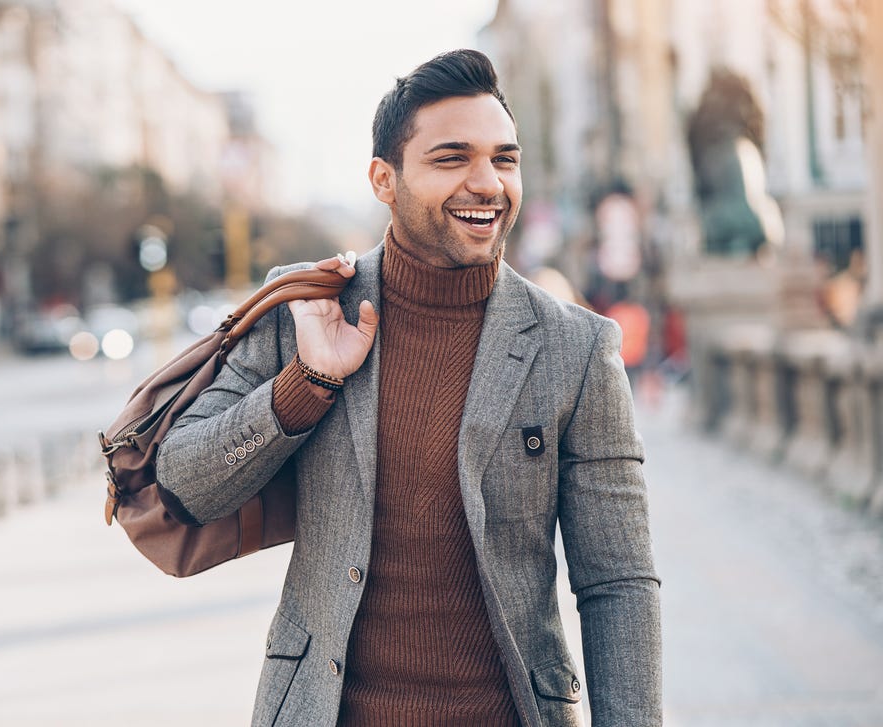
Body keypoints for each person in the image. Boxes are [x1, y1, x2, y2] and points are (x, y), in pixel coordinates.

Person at [157, 49, 661, 727]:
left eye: (504, 159)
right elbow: (185, 485)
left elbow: (618, 580)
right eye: (452, 158)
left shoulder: (577, 347)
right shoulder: (305, 306)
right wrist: (307, 383)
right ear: (384, 180)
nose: (487, 183)